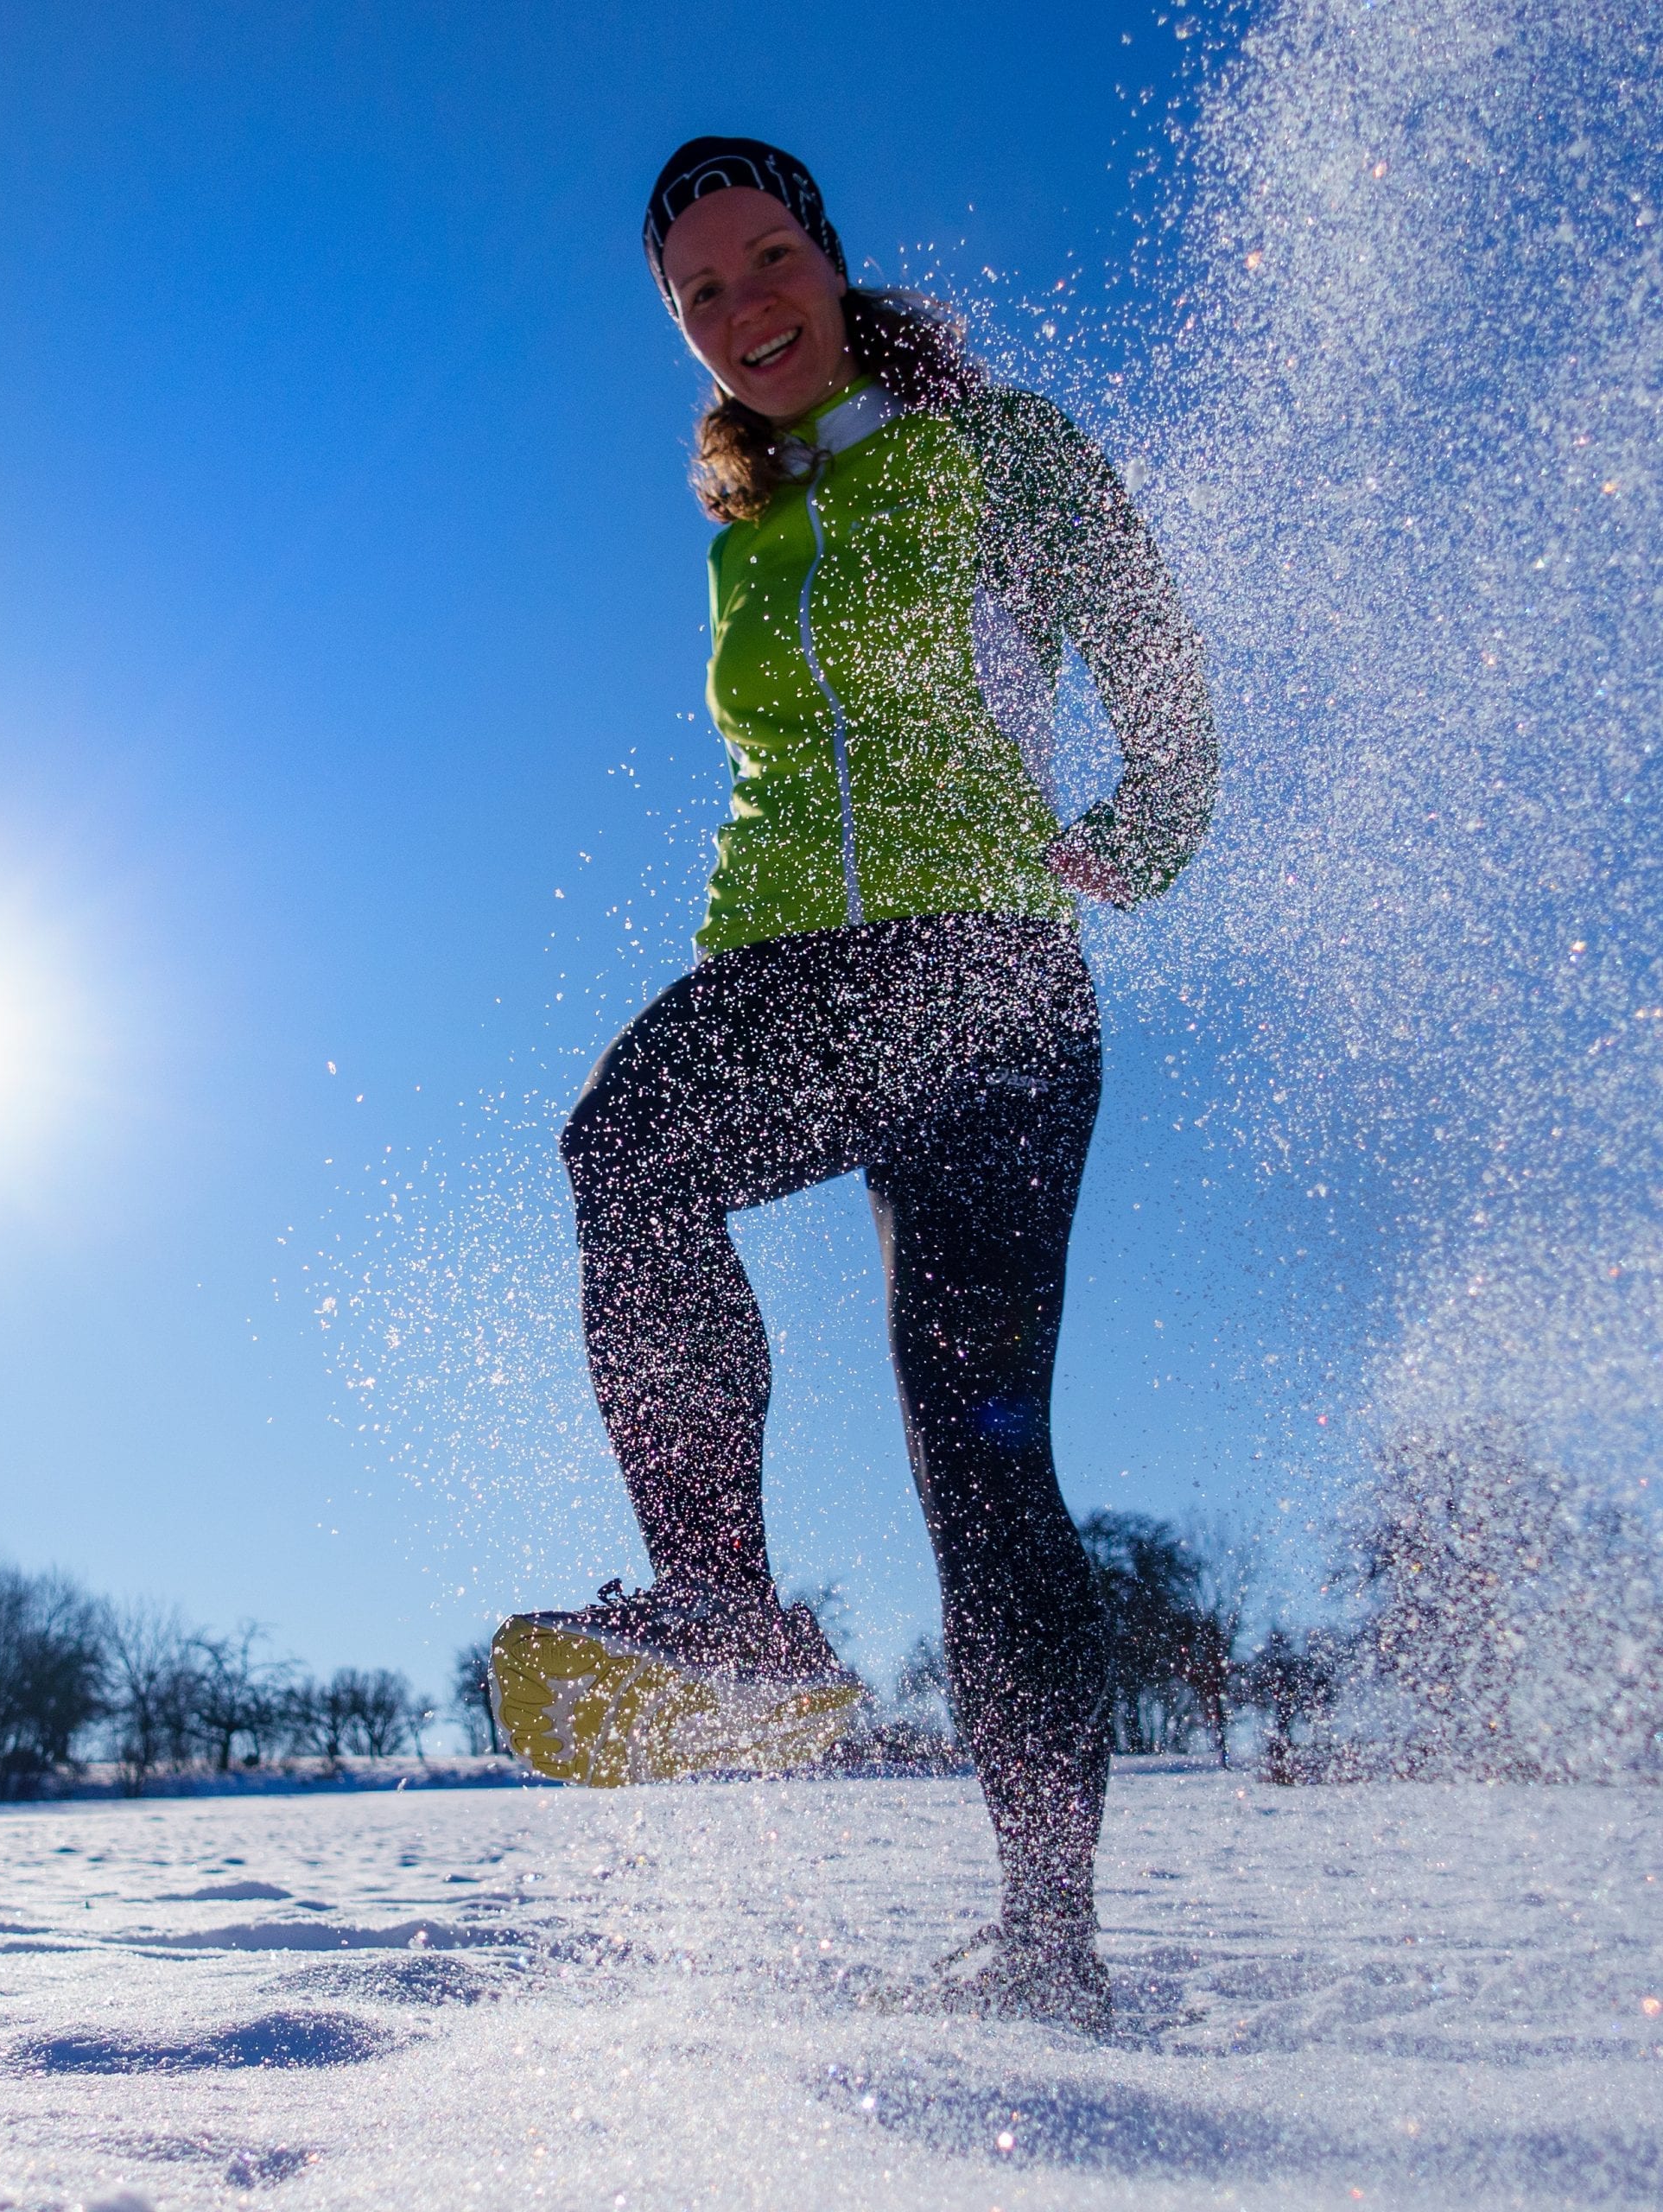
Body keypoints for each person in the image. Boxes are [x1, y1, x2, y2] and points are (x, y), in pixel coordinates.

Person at [489, 137, 1216, 2031]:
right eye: (698, 296)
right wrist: (735, 971)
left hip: (976, 968)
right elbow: (777, 786)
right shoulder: (749, 522)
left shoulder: (996, 447)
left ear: (830, 254)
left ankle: (994, 1880)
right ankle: (1021, 1917)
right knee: (655, 1173)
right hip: (811, 967)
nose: (743, 308)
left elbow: (1153, 653)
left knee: (969, 1456)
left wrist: (1142, 825)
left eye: (766, 259)